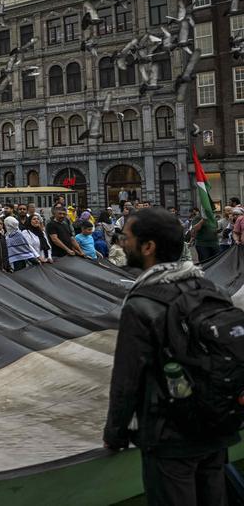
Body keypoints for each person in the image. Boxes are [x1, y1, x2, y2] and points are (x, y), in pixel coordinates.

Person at [103, 208, 239, 505]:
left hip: (170, 436)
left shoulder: (141, 304)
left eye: (127, 238)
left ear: (148, 247)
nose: (122, 243)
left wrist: (115, 433)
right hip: (217, 424)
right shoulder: (209, 287)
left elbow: (127, 379)